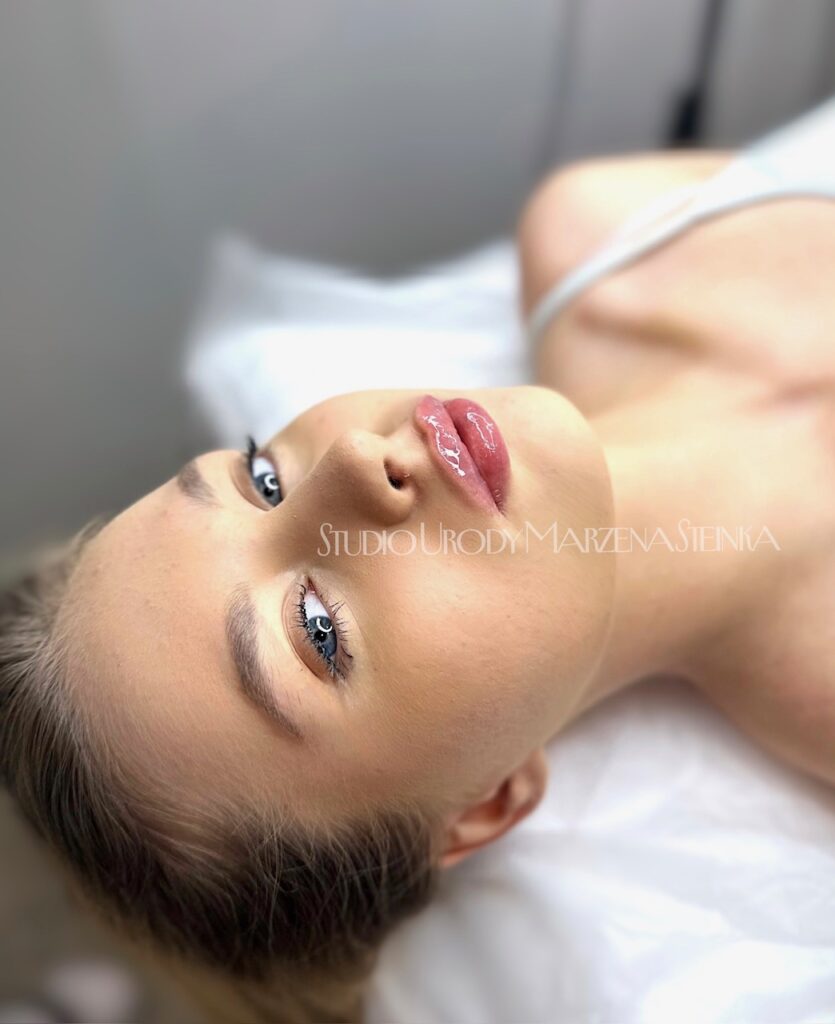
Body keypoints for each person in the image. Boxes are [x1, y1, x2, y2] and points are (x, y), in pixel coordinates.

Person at [3, 101, 835, 1022]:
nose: (353, 462)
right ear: (484, 807)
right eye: (316, 631)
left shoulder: (605, 231)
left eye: (260, 479)